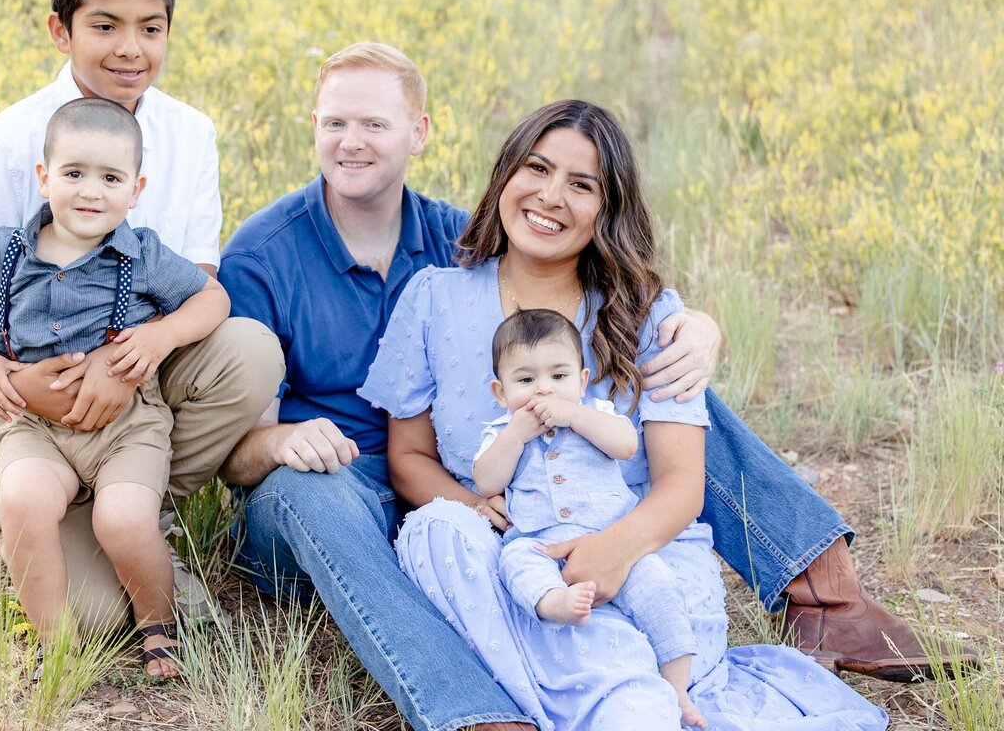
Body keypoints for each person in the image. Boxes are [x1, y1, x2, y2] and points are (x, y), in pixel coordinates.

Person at [220, 42, 959, 731]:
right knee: (380, 513)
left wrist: (698, 328)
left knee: (661, 367)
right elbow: (236, 447)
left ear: (418, 133)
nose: (354, 141)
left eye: (375, 123)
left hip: (519, 495)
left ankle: (818, 586)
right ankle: (477, 709)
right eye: (338, 122)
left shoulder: (457, 237)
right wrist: (289, 442)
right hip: (354, 487)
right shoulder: (274, 254)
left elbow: (595, 294)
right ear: (311, 125)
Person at [360, 99, 888, 729]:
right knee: (432, 531)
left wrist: (612, 551)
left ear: (607, 210)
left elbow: (682, 485)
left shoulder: (647, 316)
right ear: (505, 175)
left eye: (581, 185)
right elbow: (409, 457)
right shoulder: (433, 298)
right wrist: (480, 511)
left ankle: (623, 697)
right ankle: (614, 698)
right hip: (513, 554)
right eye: (537, 168)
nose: (551, 196)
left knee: (636, 622)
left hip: (640, 551)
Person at [0, 0, 283, 635]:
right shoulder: (10, 141)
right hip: (15, 397)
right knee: (92, 619)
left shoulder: (189, 132)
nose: (130, 49)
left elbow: (199, 283)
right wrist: (3, 376)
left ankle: (127, 501)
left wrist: (143, 351)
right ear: (60, 31)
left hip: (132, 385)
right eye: (104, 26)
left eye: (150, 29)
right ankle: (91, 517)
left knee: (249, 350)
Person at [0, 97, 230, 675]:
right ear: (43, 176)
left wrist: (159, 338)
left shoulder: (143, 254)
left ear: (136, 188)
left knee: (123, 519)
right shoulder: (7, 249)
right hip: (37, 426)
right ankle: (57, 647)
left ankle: (158, 626)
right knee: (23, 500)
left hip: (126, 426)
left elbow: (213, 298)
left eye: (110, 178)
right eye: (73, 173)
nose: (90, 191)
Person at [475, 309, 705, 729]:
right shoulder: (501, 429)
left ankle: (677, 686)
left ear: (581, 381)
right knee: (515, 564)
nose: (544, 389)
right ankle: (554, 602)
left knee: (658, 588)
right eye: (525, 381)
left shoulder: (596, 412)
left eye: (558, 377)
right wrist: (514, 435)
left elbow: (626, 446)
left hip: (610, 535)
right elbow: (486, 479)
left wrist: (577, 416)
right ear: (500, 391)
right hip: (539, 539)